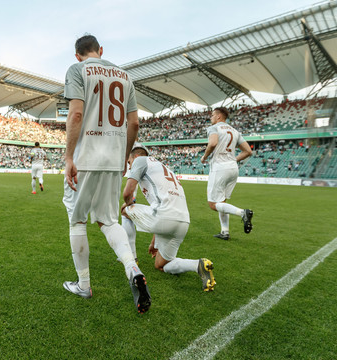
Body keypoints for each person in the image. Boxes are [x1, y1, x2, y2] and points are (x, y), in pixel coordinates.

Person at [62, 34, 151, 314]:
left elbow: (76, 114)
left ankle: (84, 285)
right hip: (113, 158)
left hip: (86, 156)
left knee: (77, 220)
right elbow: (134, 122)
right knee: (109, 221)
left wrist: (68, 156)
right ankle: (132, 267)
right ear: (100, 50)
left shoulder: (77, 70)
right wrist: (125, 155)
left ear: (77, 55)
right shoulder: (124, 76)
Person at [121, 144, 216, 292]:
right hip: (183, 221)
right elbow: (159, 207)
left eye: (129, 162)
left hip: (164, 218)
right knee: (161, 265)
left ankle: (132, 259)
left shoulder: (140, 161)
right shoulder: (163, 167)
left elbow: (127, 193)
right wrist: (154, 243)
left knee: (124, 210)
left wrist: (129, 206)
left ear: (137, 157)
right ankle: (198, 265)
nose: (130, 166)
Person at [200, 107, 254, 240]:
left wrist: (204, 157)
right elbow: (248, 151)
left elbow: (212, 143)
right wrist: (233, 160)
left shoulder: (214, 128)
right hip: (233, 168)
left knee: (213, 204)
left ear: (219, 116)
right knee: (222, 202)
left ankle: (243, 213)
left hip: (219, 167)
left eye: (212, 115)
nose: (211, 118)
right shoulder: (235, 131)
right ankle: (225, 232)